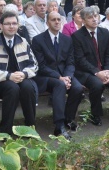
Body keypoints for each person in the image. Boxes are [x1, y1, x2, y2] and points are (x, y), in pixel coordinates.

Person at [0, 11, 38, 135]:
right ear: (1, 26)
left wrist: (24, 74)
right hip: (0, 82)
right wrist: (9, 76)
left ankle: (30, 127)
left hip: (21, 77)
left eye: (14, 23)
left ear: (18, 25)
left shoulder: (23, 41)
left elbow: (34, 64)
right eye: (8, 24)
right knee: (12, 89)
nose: (11, 26)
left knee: (28, 87)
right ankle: (5, 131)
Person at [31, 11, 84, 139]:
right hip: (45, 77)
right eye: (53, 20)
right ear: (47, 22)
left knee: (77, 88)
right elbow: (41, 66)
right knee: (59, 85)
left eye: (58, 19)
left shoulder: (67, 39)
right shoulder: (38, 40)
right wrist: (60, 78)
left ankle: (68, 119)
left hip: (64, 75)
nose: (56, 22)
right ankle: (59, 126)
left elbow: (71, 62)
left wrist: (67, 77)